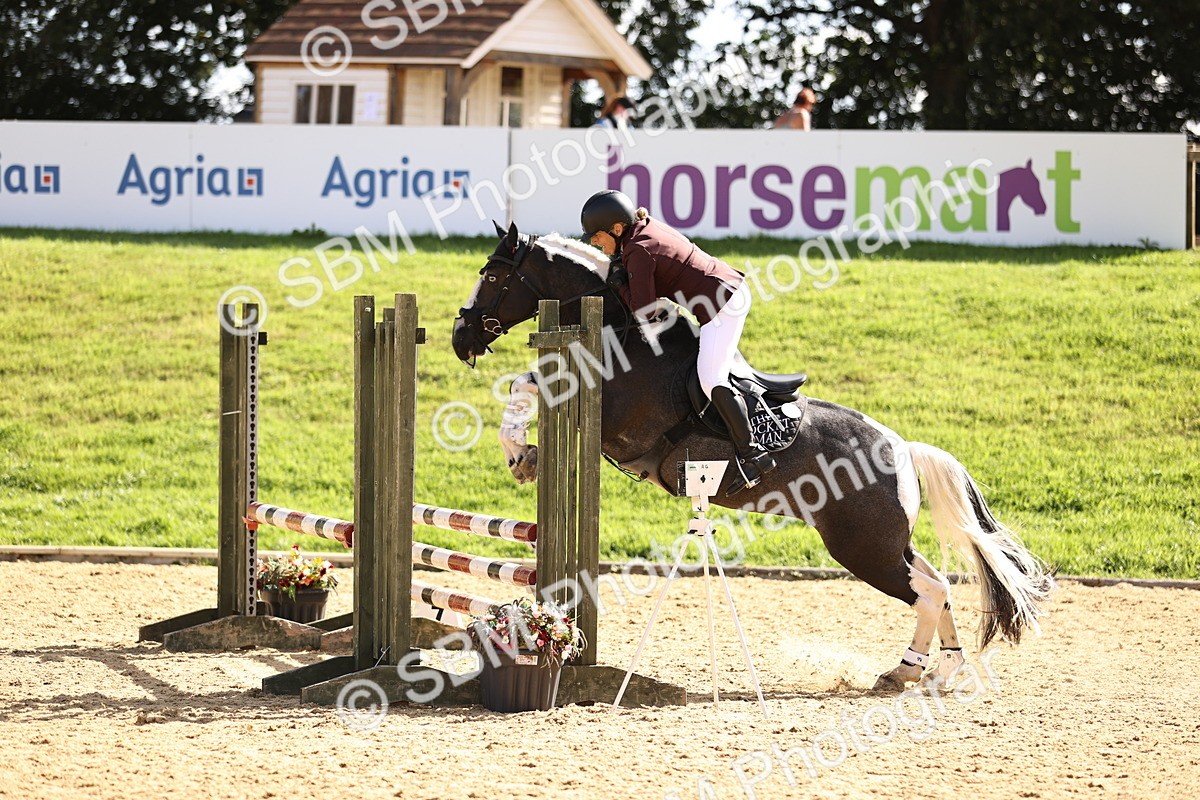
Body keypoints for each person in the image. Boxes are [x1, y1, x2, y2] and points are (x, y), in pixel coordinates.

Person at [580, 189, 776, 495]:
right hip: (724, 293)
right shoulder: (639, 232)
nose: (593, 242)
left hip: (723, 305)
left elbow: (645, 311)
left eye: (596, 236)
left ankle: (754, 455)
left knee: (712, 379)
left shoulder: (638, 249)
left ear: (617, 229)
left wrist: (620, 288)